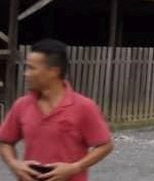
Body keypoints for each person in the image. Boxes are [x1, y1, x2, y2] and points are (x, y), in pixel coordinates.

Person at [0, 39, 113, 181]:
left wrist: (75, 167)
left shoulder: (84, 106)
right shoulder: (21, 105)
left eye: (31, 68)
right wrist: (15, 164)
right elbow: (5, 141)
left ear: (53, 71)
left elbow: (105, 145)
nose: (26, 74)